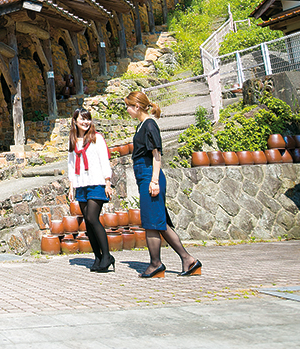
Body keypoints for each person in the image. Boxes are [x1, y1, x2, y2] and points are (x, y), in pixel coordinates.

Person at [125, 90, 202, 278]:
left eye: (128, 106)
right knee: (157, 221)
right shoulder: (142, 125)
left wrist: (154, 181)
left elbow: (156, 155)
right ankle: (188, 260)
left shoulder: (150, 125)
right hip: (144, 175)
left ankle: (156, 264)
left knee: (153, 223)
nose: (126, 110)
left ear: (136, 106)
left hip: (151, 175)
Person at [67, 107, 114, 273]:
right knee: (87, 222)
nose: (85, 122)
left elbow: (104, 160)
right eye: (82, 119)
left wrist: (107, 182)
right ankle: (98, 257)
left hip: (96, 183)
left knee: (92, 218)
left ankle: (107, 256)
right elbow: (71, 164)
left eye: (88, 119)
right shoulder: (73, 140)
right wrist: (71, 186)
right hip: (81, 184)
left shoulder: (97, 138)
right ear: (75, 121)